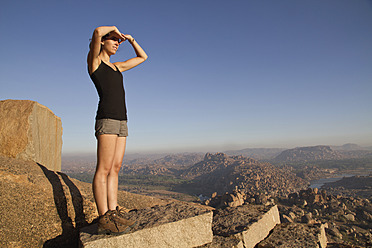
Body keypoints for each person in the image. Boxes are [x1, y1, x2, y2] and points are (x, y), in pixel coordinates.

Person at [87, 26, 148, 235]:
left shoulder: (117, 67)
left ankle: (113, 212)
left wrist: (130, 39)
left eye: (117, 41)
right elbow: (96, 31)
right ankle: (103, 217)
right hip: (107, 119)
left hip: (122, 121)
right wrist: (114, 28)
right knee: (103, 169)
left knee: (116, 167)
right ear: (103, 42)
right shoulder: (94, 63)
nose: (116, 42)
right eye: (113, 39)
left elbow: (143, 57)